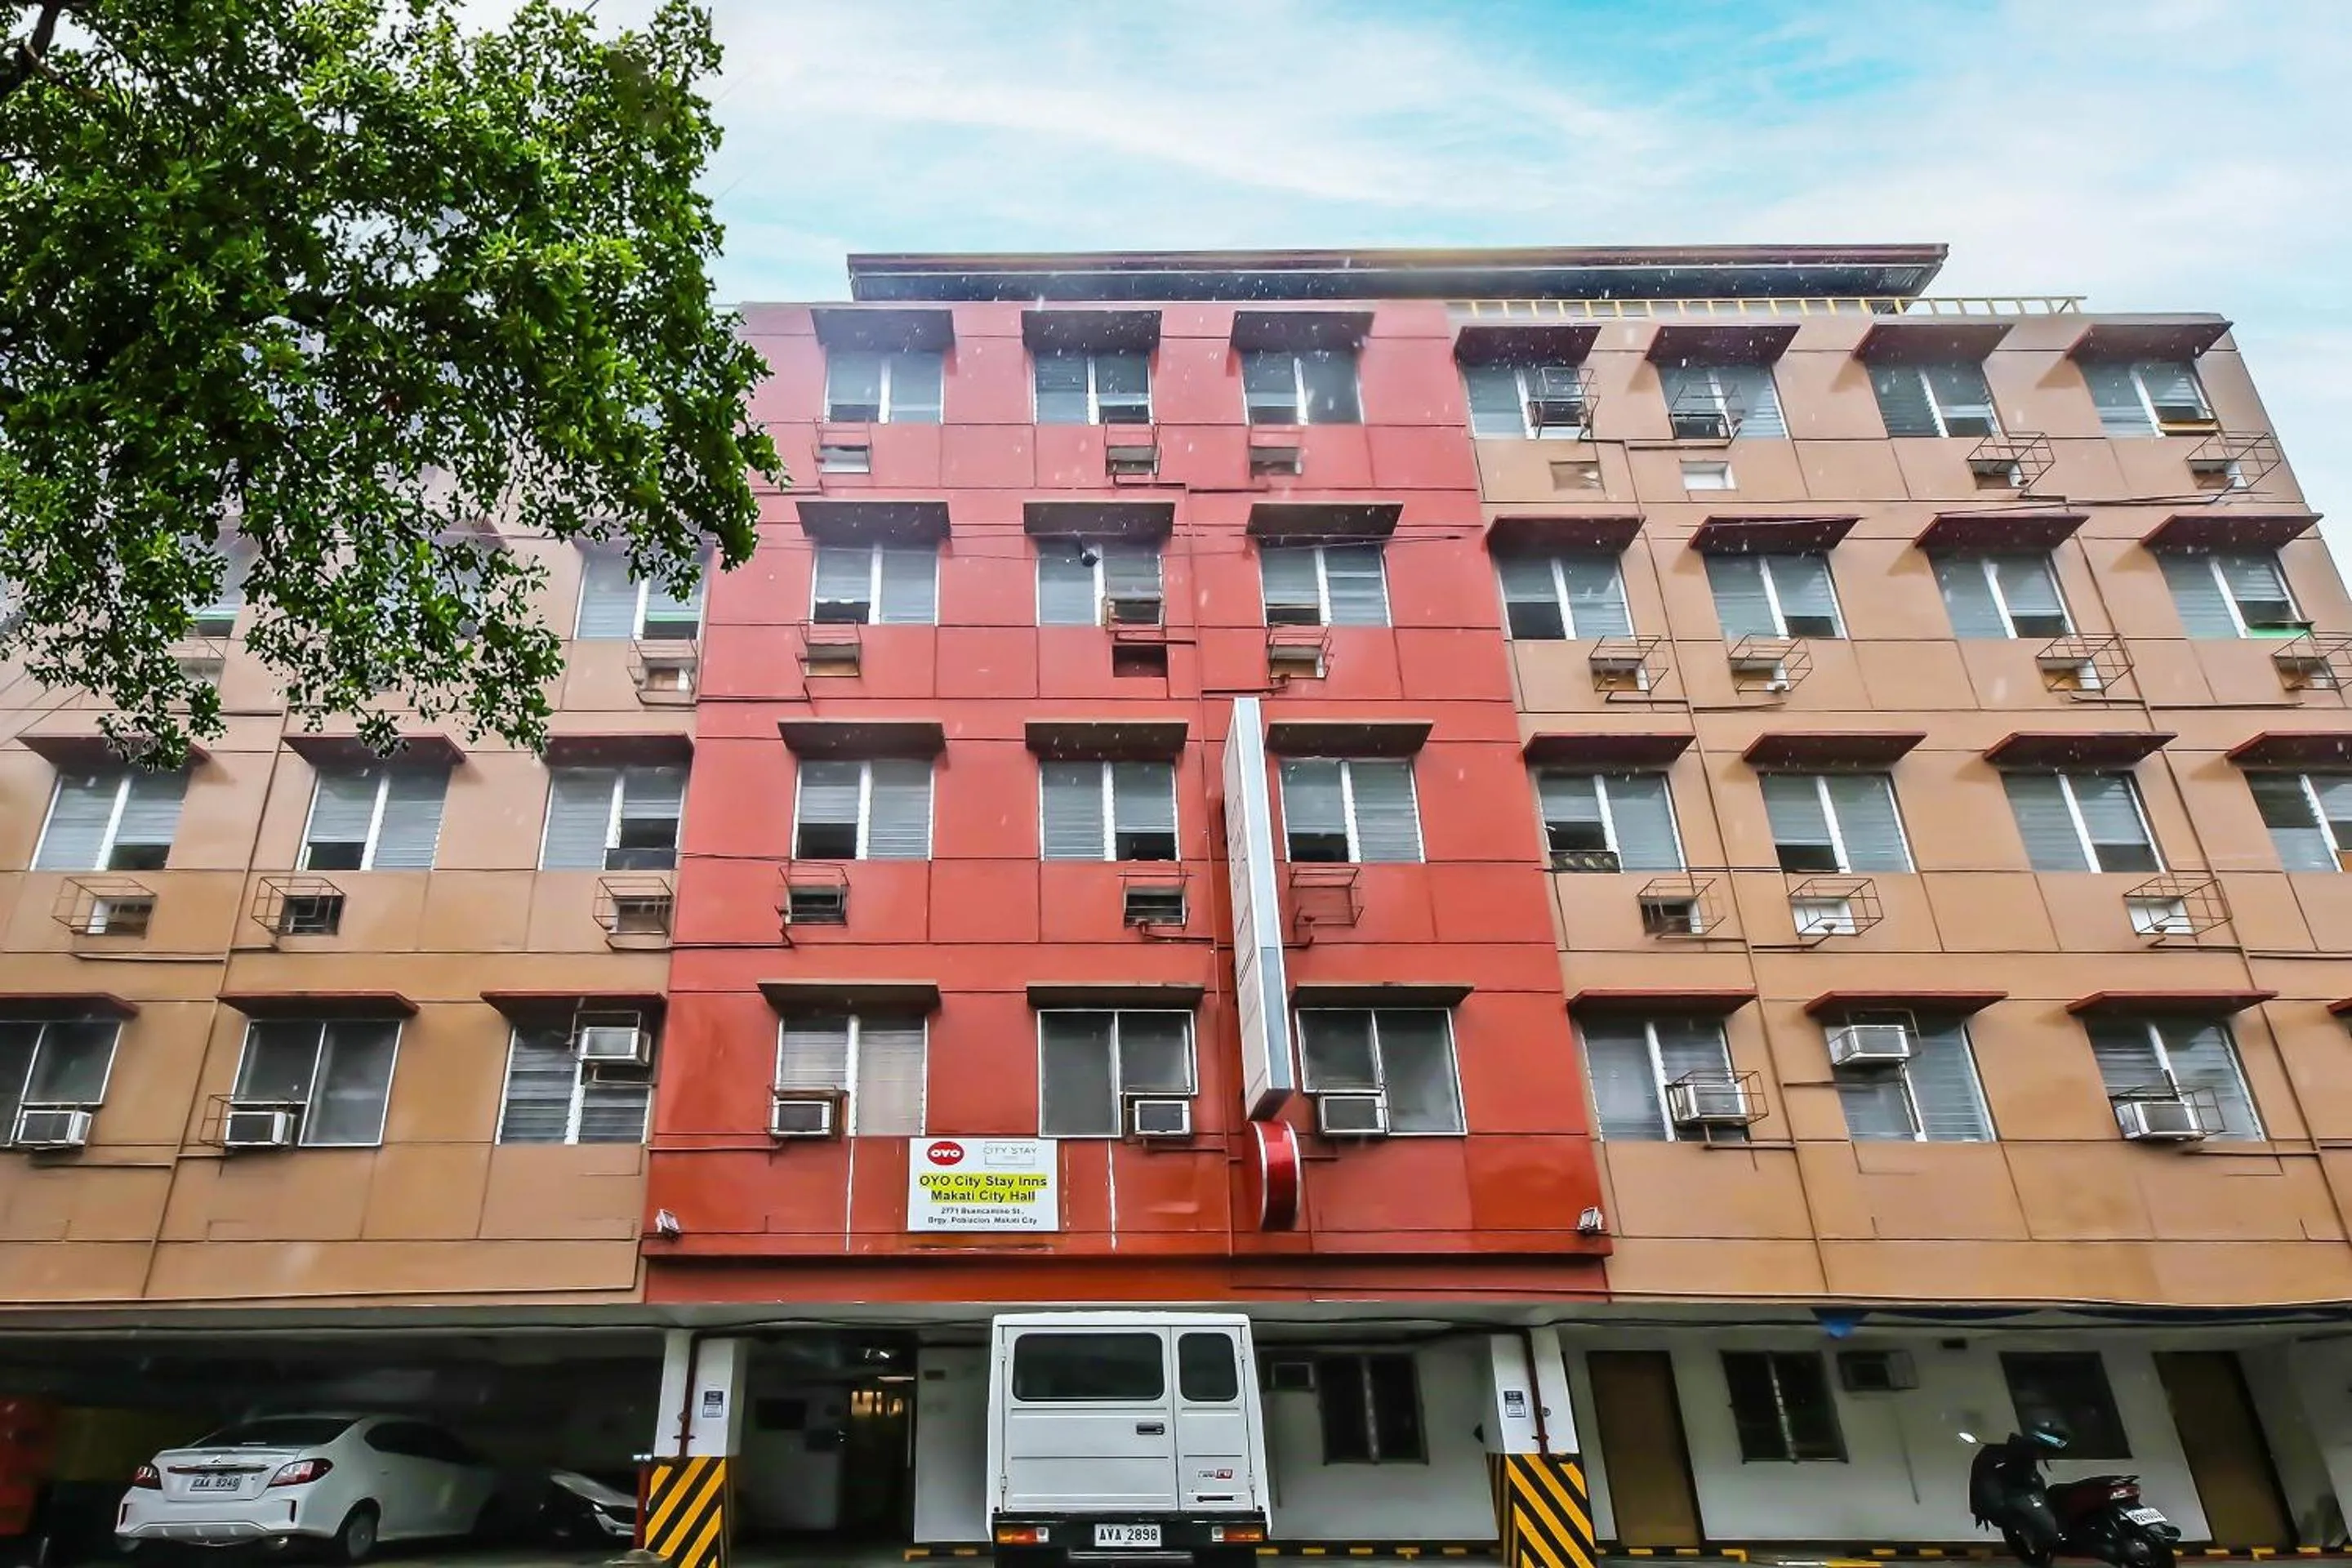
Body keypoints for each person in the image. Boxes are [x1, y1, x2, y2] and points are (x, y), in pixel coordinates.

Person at [1971, 1425, 2069, 1560]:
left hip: (2025, 1487)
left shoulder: (2031, 1438)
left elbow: (2060, 1442)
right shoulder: (2013, 1449)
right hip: (2018, 1487)